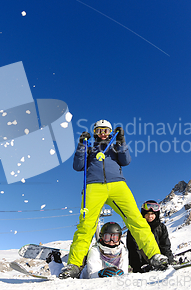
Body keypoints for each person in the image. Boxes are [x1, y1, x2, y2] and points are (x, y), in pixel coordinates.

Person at [58, 119, 168, 279]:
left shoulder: (115, 147)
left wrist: (122, 142)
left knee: (136, 219)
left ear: (110, 132)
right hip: (93, 187)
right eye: (99, 130)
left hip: (117, 186)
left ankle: (155, 256)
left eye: (106, 130)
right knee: (86, 225)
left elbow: (126, 161)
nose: (102, 133)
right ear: (95, 132)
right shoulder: (90, 148)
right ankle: (74, 265)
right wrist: (82, 145)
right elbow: (78, 166)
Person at [47, 222, 128, 279]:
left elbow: (124, 271)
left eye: (115, 238)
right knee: (64, 278)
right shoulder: (96, 249)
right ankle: (54, 261)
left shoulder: (123, 251)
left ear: (120, 238)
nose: (111, 241)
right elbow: (91, 274)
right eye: (107, 237)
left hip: (109, 280)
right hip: (84, 277)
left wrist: (121, 273)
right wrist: (100, 273)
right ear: (102, 237)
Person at [126, 200, 175, 273]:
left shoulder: (161, 228)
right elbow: (133, 251)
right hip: (142, 265)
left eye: (152, 214)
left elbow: (165, 247)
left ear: (156, 214)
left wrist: (170, 261)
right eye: (147, 214)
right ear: (143, 215)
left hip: (159, 261)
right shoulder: (135, 229)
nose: (150, 216)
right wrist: (137, 269)